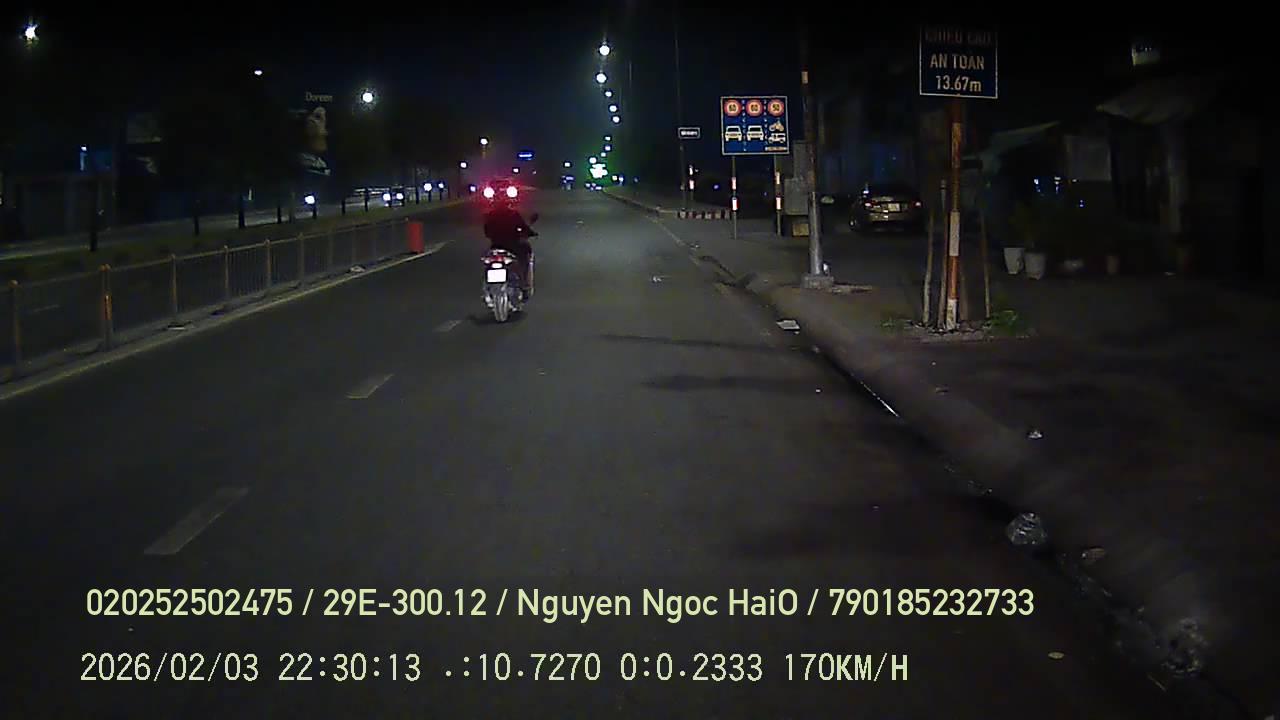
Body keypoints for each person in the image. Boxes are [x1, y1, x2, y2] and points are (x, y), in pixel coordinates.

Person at [482, 199, 537, 298]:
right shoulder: (513, 214)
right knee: (526, 255)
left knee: (488, 261)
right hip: (513, 246)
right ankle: (525, 285)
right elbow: (524, 228)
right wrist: (529, 233)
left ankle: (487, 289)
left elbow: (486, 231)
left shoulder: (490, 215)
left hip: (496, 246)